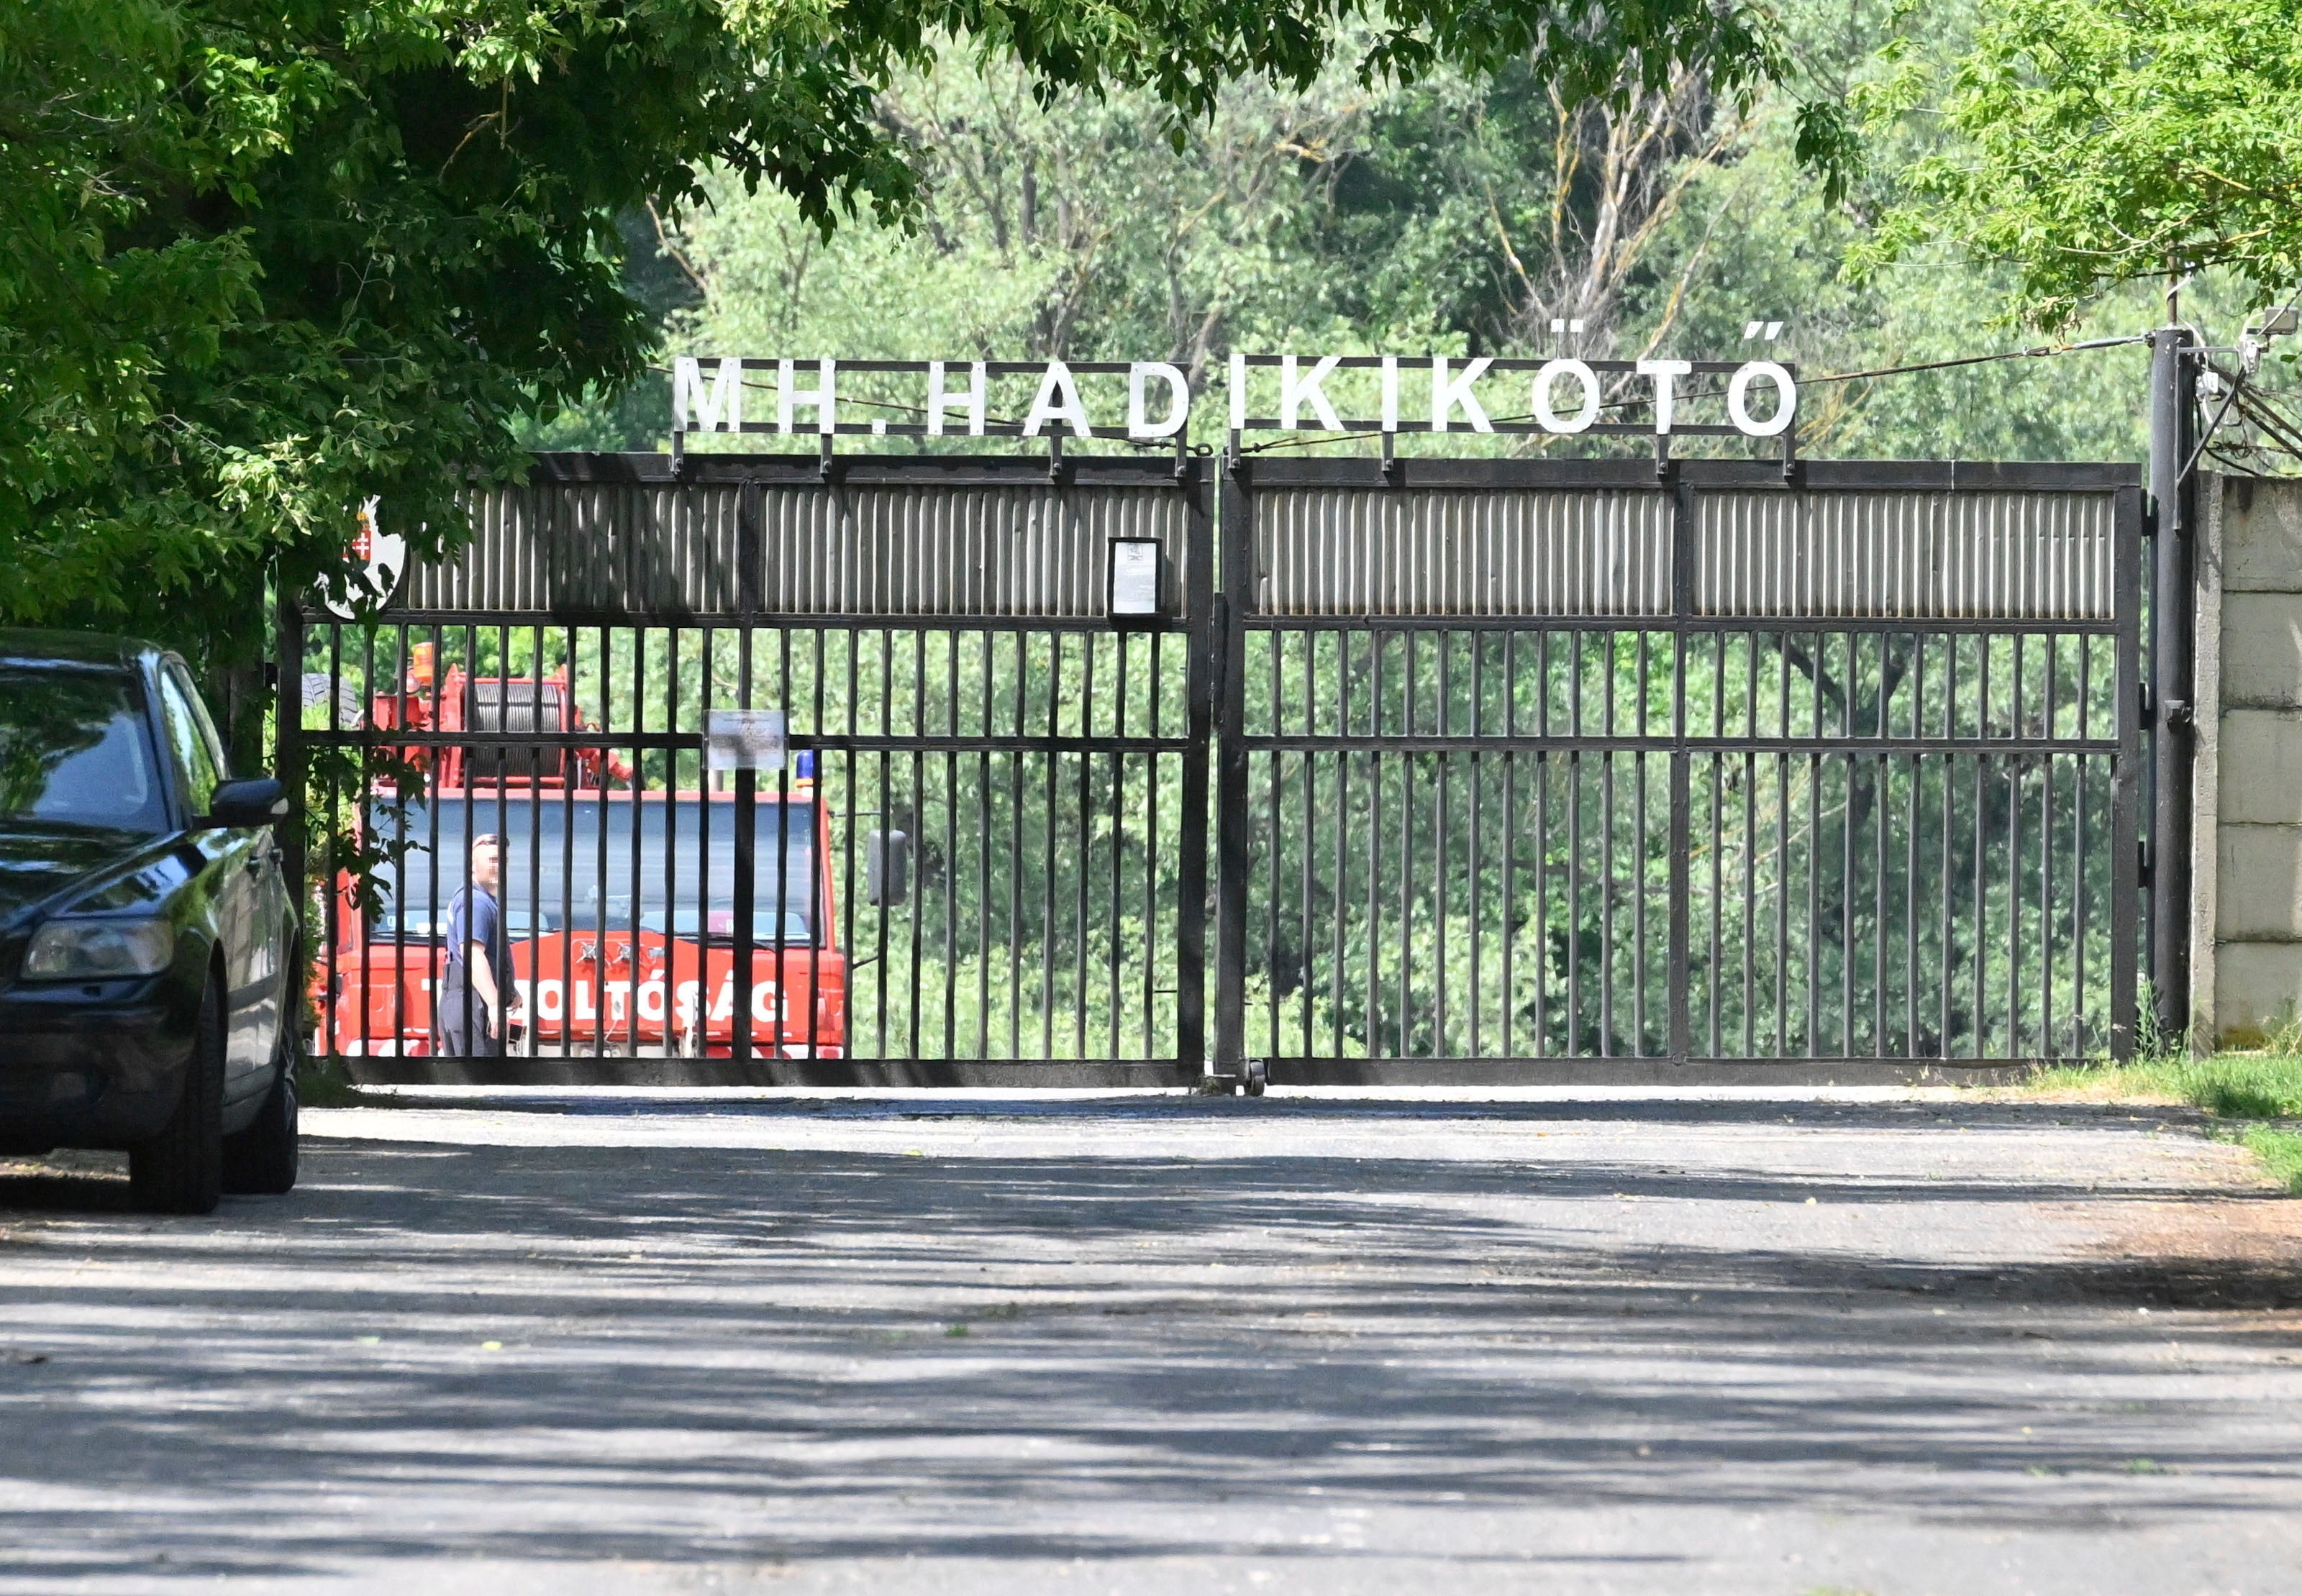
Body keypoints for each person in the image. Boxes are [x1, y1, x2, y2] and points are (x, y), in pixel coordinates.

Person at [436, 832, 518, 1057]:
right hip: (472, 1003)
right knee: (479, 1085)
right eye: (493, 860)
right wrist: (493, 1004)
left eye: (504, 861)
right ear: (473, 865)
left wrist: (509, 992)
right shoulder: (477, 902)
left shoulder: (479, 899)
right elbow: (472, 953)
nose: (500, 867)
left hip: (468, 1000)